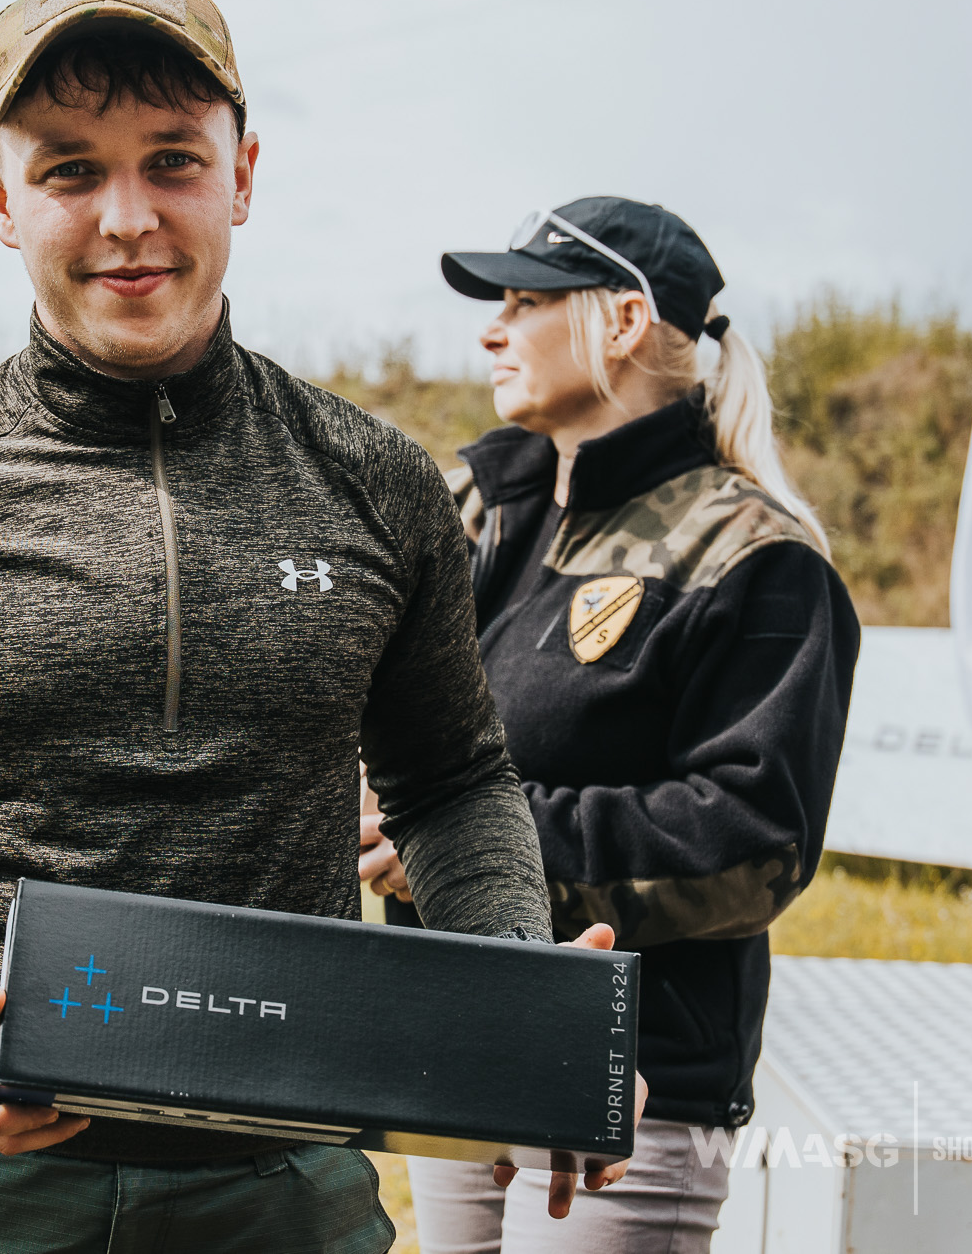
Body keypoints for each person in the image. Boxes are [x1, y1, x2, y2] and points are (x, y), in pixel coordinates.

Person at [0, 0, 635, 1253]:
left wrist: (516, 994)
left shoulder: (376, 485)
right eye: (69, 170)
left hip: (280, 1181)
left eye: (172, 161)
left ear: (243, 174)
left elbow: (453, 782)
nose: (127, 219)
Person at [359, 198, 860, 1253]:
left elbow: (753, 841)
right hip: (454, 1037)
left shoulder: (758, 559)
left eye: (524, 302)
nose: (492, 330)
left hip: (635, 1077)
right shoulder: (481, 512)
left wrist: (466, 844)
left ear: (623, 322)